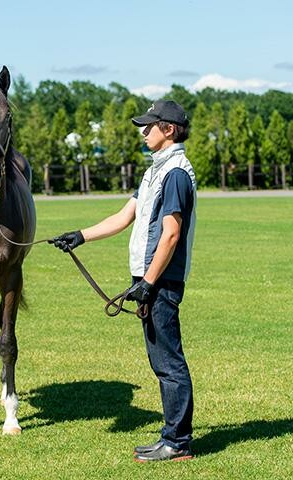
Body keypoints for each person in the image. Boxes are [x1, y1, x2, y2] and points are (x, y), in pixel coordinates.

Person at [50, 100, 197, 462]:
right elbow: (124, 216)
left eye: (151, 125)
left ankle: (177, 442)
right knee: (161, 361)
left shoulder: (175, 173)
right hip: (150, 279)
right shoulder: (154, 172)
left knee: (169, 362)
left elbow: (172, 235)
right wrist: (80, 236)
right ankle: (171, 436)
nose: (144, 131)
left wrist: (148, 281)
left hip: (160, 280)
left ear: (170, 130)